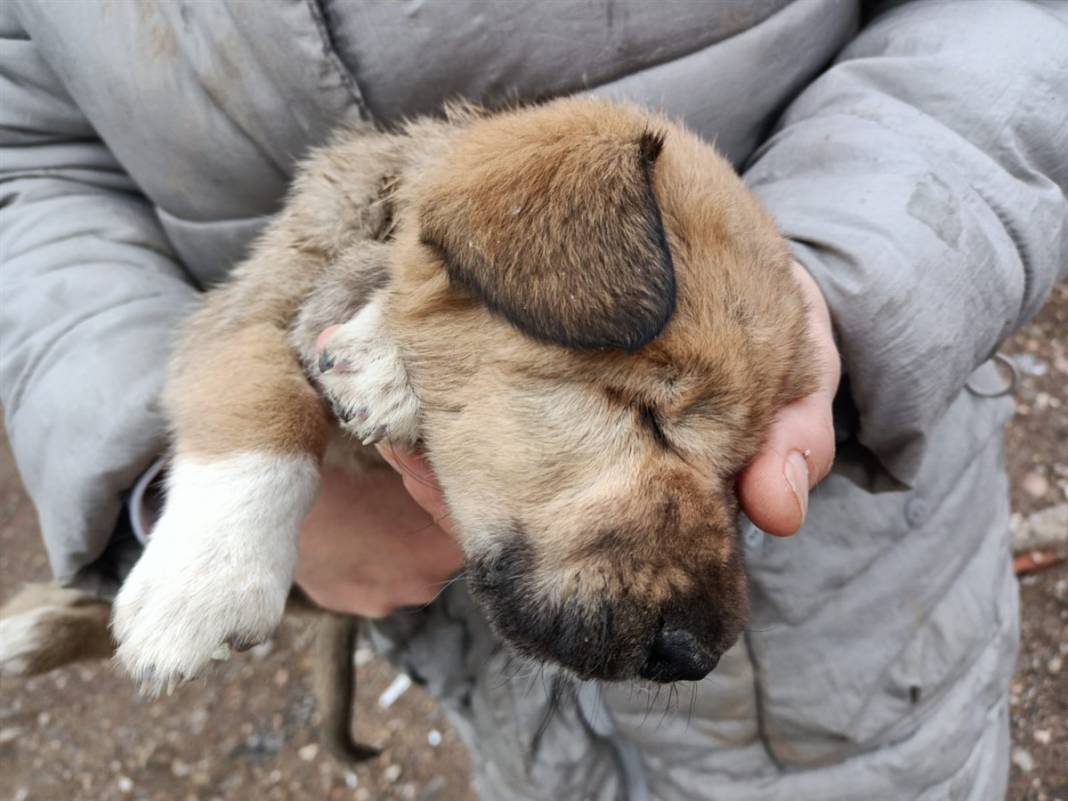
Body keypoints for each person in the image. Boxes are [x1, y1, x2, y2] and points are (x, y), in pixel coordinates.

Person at [1, 1, 1065, 799]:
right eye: (651, 418)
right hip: (413, 589)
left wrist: (837, 281)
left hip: (848, 597)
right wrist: (193, 489)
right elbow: (28, 157)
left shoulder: (585, 263)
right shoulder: (482, 245)